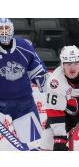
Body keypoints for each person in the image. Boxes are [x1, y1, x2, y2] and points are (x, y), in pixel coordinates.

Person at [0, 18, 48, 149]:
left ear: (12, 30)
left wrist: (46, 86)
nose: (4, 33)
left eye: (6, 29)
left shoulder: (24, 46)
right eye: (1, 29)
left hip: (24, 104)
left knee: (33, 145)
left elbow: (38, 70)